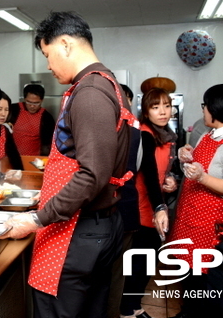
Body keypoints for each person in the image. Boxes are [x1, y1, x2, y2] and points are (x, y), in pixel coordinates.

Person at [1, 11, 135, 318]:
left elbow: (92, 174)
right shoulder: (108, 84)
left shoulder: (89, 93)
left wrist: (37, 219)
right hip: (98, 224)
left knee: (56, 310)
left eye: (47, 55)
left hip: (78, 230)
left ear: (65, 44)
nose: (48, 65)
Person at [120, 87, 178, 318]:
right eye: (156, 107)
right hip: (143, 207)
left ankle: (134, 306)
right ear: (146, 111)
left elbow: (164, 172)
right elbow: (150, 176)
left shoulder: (164, 133)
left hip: (153, 204)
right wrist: (160, 207)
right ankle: (128, 309)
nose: (163, 112)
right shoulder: (145, 134)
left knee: (146, 261)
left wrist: (171, 179)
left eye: (166, 106)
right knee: (141, 262)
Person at [169, 84, 223, 318]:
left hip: (209, 219)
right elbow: (194, 167)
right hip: (188, 213)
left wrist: (203, 177)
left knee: (202, 274)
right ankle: (187, 310)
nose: (203, 110)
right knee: (186, 269)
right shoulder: (207, 133)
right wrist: (185, 158)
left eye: (205, 105)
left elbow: (209, 177)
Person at [107, 84, 142, 318]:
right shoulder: (136, 129)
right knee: (117, 271)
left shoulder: (102, 128)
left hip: (107, 211)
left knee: (108, 272)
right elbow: (136, 169)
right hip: (126, 208)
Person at [10, 83, 55, 156]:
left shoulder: (47, 118)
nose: (32, 106)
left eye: (36, 103)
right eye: (29, 102)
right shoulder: (14, 110)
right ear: (24, 99)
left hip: (33, 160)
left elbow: (48, 145)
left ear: (42, 100)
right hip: (12, 158)